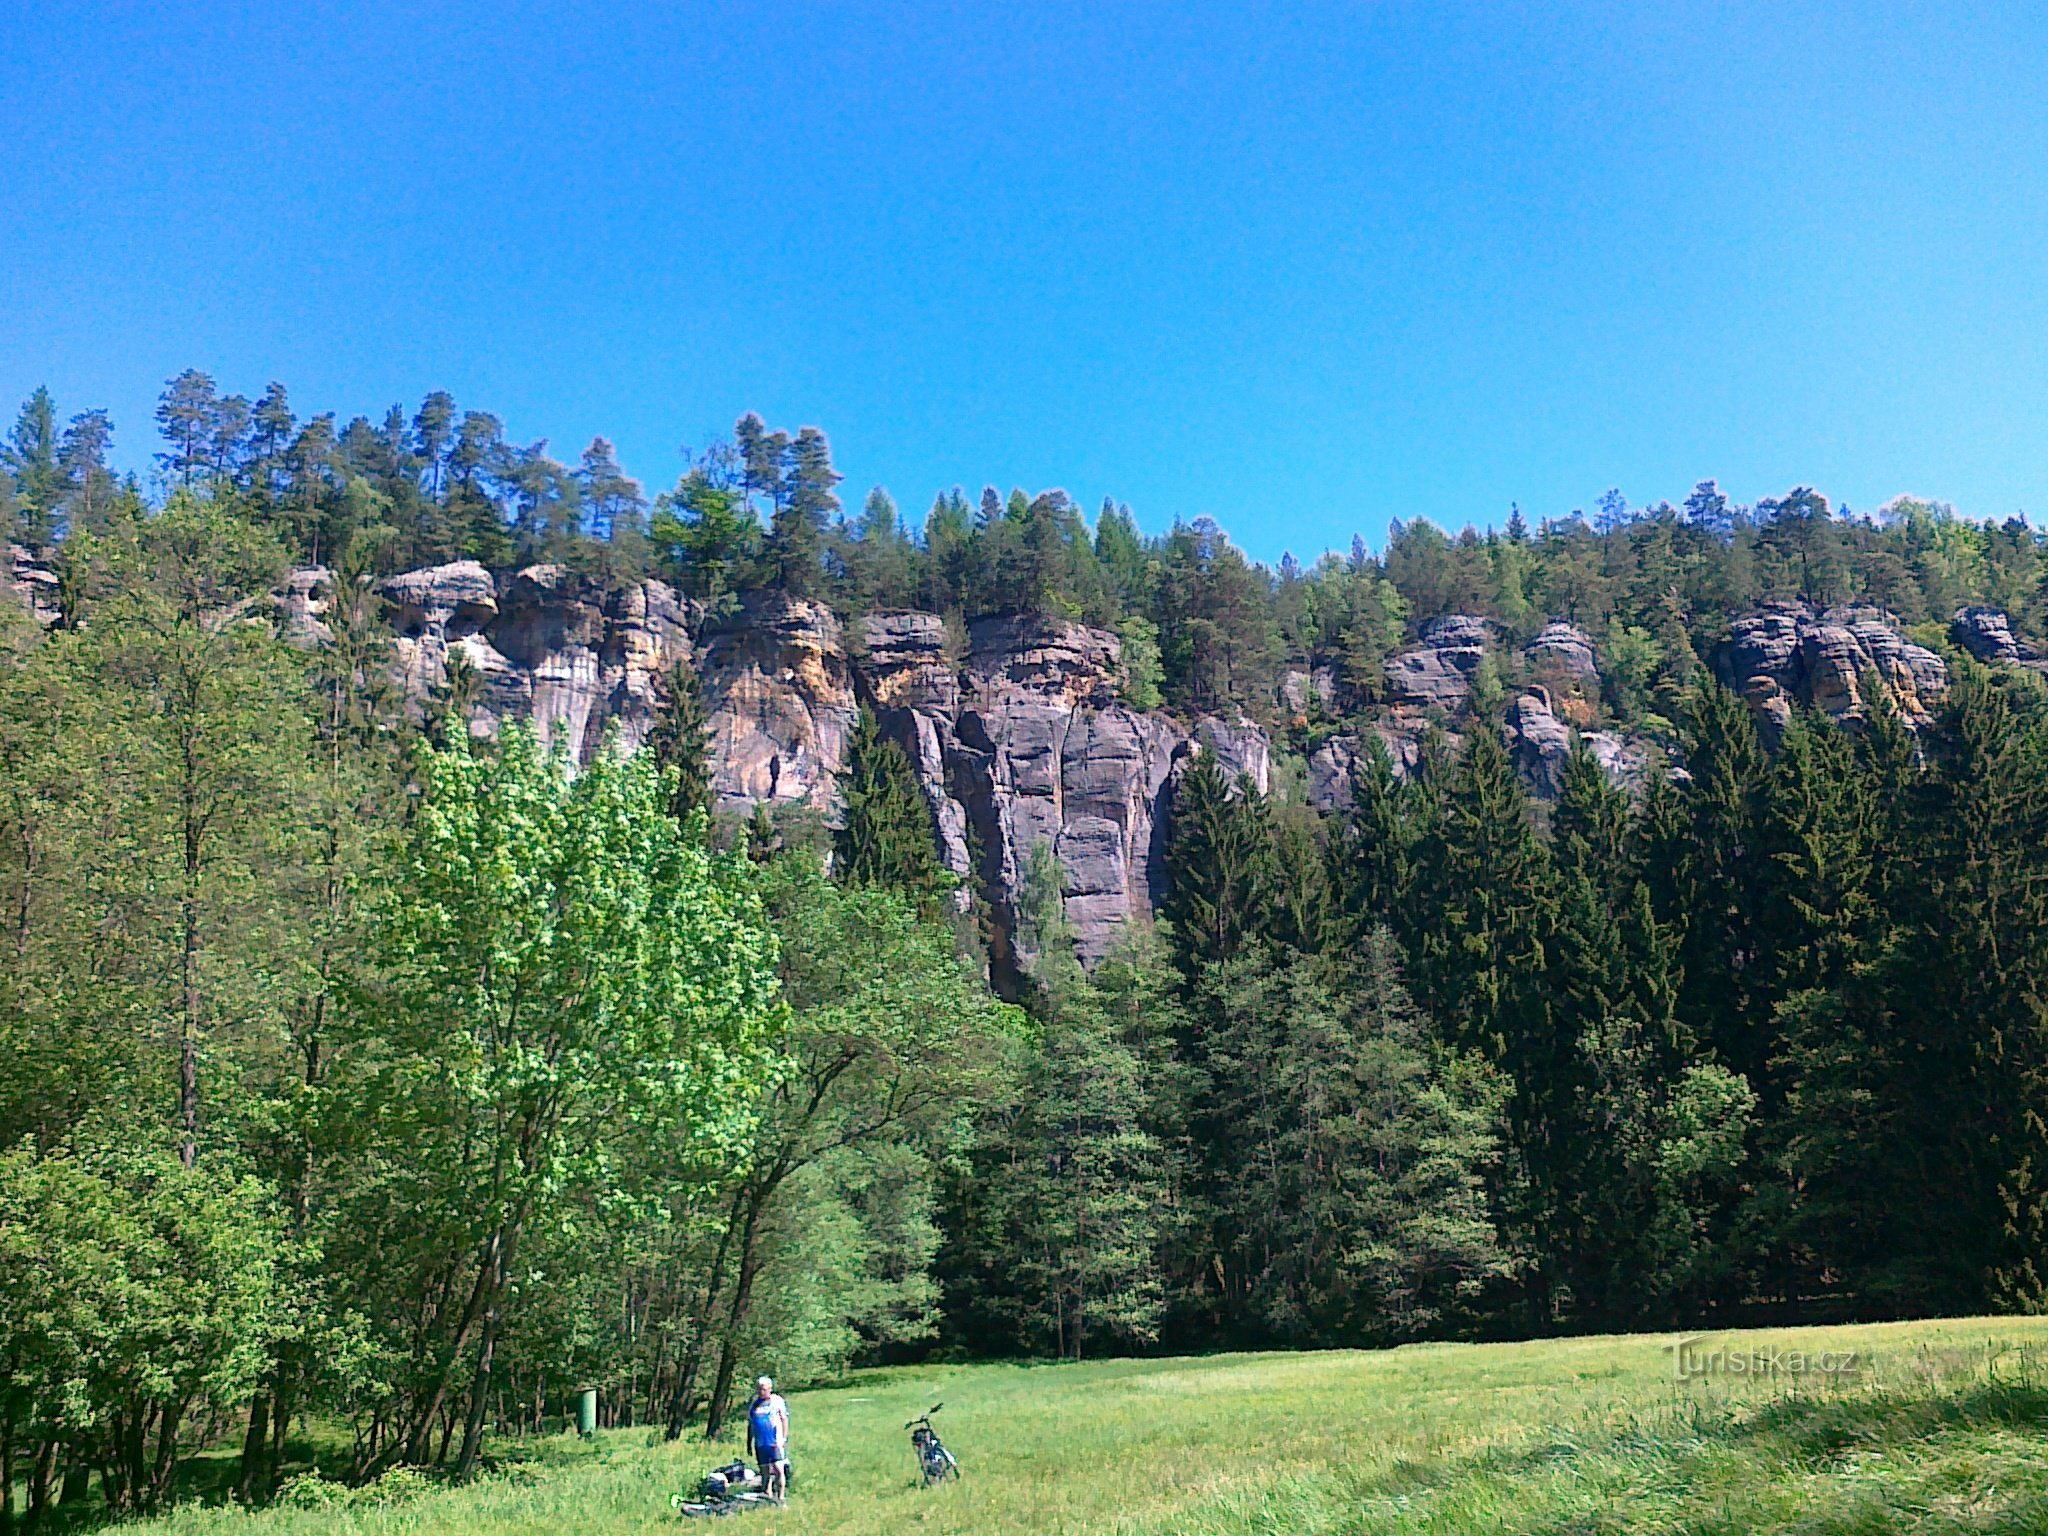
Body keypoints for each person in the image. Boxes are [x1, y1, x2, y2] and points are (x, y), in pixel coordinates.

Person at [747, 1376, 791, 1504]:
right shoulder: (754, 1404)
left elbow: (784, 1419)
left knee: (778, 1469)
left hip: (775, 1442)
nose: (761, 1392)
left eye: (764, 1389)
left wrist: (784, 1437)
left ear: (770, 1389)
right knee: (764, 1472)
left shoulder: (777, 1401)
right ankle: (768, 1496)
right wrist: (748, 1443)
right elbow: (751, 1425)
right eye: (759, 1389)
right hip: (760, 1443)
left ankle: (781, 1497)